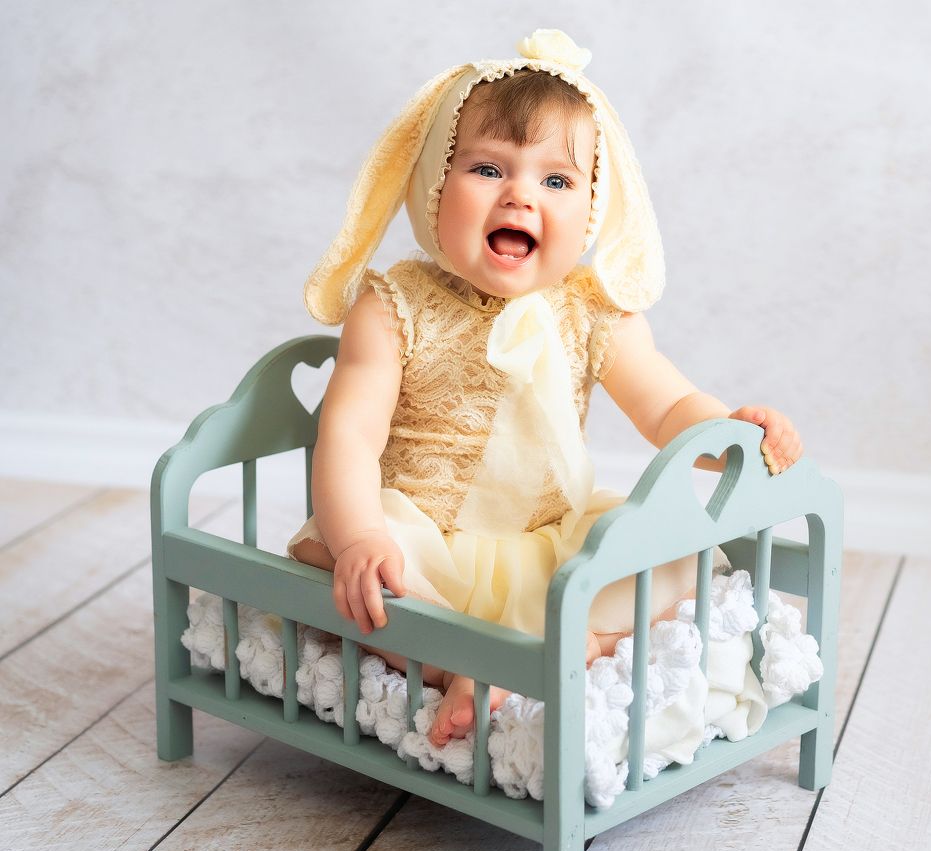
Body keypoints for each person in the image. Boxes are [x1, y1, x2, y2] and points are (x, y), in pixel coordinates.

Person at [287, 30, 803, 748]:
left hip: (552, 551)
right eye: (488, 169)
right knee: (339, 561)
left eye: (556, 181)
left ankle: (575, 644)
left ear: (590, 207)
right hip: (429, 541)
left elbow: (666, 406)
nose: (521, 195)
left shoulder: (593, 311)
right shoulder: (394, 306)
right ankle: (464, 663)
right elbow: (348, 436)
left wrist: (729, 434)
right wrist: (361, 535)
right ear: (433, 184)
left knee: (675, 548)